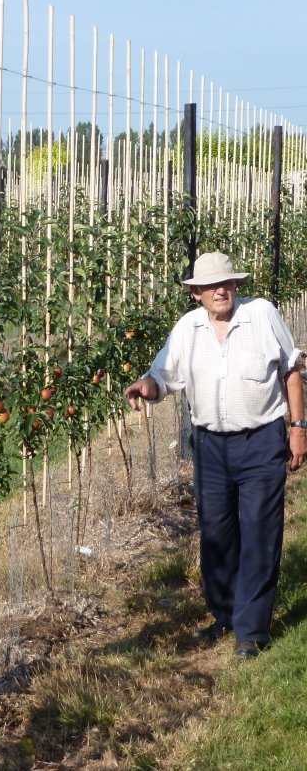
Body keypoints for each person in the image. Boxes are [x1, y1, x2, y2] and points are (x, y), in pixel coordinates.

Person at [124, 251, 307, 659]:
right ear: (196, 294)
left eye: (226, 283)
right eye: (210, 286)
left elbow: (290, 370)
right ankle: (224, 613)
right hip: (210, 447)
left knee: (260, 534)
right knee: (217, 534)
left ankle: (251, 631)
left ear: (236, 286)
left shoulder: (261, 315)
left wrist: (299, 427)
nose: (220, 290)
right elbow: (162, 377)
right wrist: (143, 387)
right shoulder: (187, 330)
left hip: (261, 440)